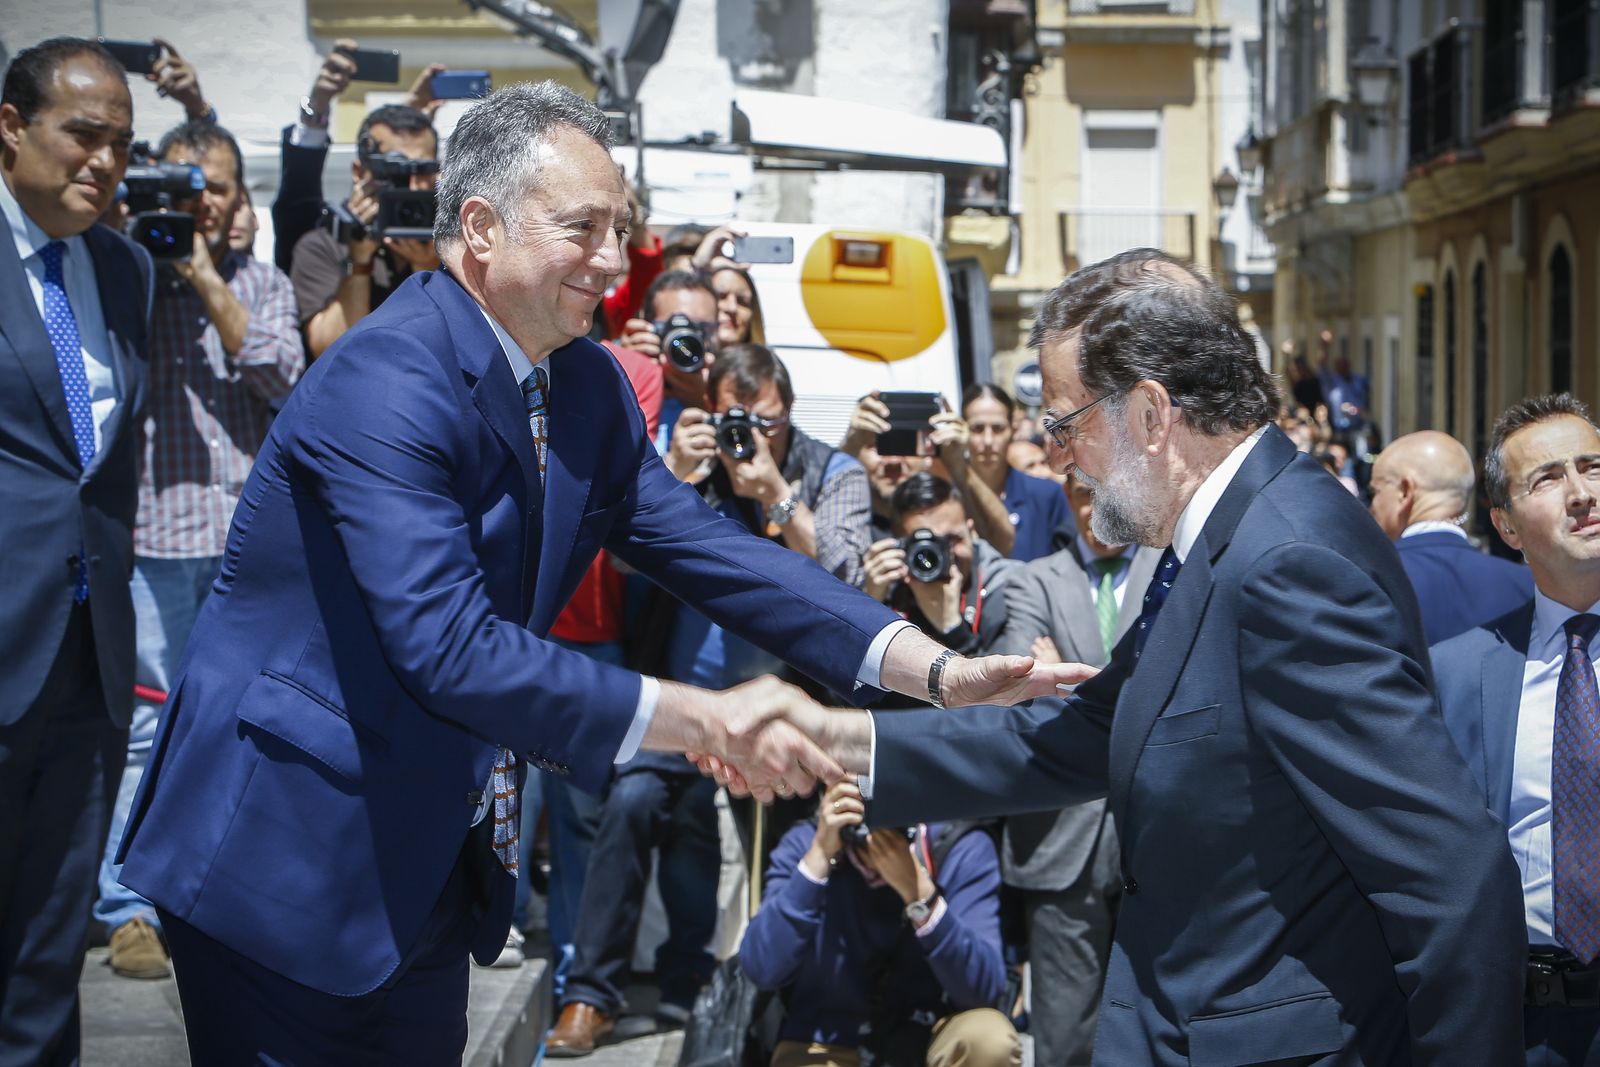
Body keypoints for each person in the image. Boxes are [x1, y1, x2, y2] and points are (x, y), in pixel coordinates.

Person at [115, 81, 1065, 1064]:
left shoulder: (586, 386)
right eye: (584, 228)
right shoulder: (380, 377)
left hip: (427, 857)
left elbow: (713, 554)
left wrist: (934, 668)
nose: (614, 261)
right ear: (479, 226)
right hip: (284, 850)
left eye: (622, 228)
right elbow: (447, 645)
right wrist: (702, 716)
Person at [713, 249, 1527, 1064]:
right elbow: (1075, 737)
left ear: (1149, 412)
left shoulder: (1287, 559)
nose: (1058, 457)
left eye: (1065, 424)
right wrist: (830, 736)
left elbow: (1451, 877)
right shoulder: (1220, 538)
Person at [549, 343, 874, 1055]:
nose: (753, 438)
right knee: (632, 802)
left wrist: (774, 494)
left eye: (769, 423)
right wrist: (678, 472)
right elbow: (624, 553)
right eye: (738, 421)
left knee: (785, 851)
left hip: (792, 713)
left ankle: (779, 1005)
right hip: (687, 705)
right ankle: (588, 996)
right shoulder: (694, 468)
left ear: (787, 414)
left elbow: (850, 576)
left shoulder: (832, 469)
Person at [93, 118, 304, 982]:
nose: (199, 200)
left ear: (234, 194)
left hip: (246, 547)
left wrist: (206, 272)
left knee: (242, 726)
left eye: (213, 185)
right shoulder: (122, 270)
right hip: (149, 539)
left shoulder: (264, 281)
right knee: (146, 727)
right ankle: (129, 906)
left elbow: (285, 378)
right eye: (183, 184)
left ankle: (226, 894)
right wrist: (150, 250)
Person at [0, 37, 153, 1066]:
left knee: (47, 951)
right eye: (81, 134)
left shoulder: (126, 269)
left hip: (85, 660)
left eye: (120, 144)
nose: (102, 161)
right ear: (11, 128)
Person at [1433, 393, 1600, 1065]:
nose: (1583, 493)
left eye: (1593, 466)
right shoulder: (1456, 673)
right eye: (1548, 478)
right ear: (1504, 525)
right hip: (1519, 1028)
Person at [986, 475, 1160, 1066]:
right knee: (1064, 1038)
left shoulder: (1172, 570)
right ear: (1066, 498)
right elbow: (1017, 684)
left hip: (1159, 831)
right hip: (1062, 838)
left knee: (1162, 1027)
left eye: (1104, 492)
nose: (1094, 509)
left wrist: (1063, 678)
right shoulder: (1031, 579)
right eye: (1082, 496)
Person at [739, 781, 1019, 1067]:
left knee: (989, 1039)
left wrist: (921, 896)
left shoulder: (959, 848)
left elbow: (984, 990)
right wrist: (818, 860)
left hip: (922, 1039)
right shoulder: (805, 843)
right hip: (823, 1041)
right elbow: (761, 968)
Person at [289, 102, 442, 358]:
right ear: (360, 173)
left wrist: (430, 268)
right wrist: (359, 261)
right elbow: (330, 349)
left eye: (422, 170)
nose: (412, 186)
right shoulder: (324, 245)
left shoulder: (459, 242)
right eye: (395, 171)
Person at [1369, 429, 1532, 644]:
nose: (1371, 507)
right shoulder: (1528, 585)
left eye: (1375, 492)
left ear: (1405, 491)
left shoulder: (1369, 577)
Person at [862, 474, 1015, 658]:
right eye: (927, 546)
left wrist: (952, 628)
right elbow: (839, 682)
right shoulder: (888, 586)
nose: (944, 555)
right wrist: (868, 608)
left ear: (971, 532)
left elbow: (1008, 684)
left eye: (952, 540)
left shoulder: (1009, 589)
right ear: (901, 545)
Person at [943, 383, 1070, 561]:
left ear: (1012, 430)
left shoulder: (1046, 495)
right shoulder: (945, 499)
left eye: (997, 429)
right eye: (977, 429)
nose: (988, 441)